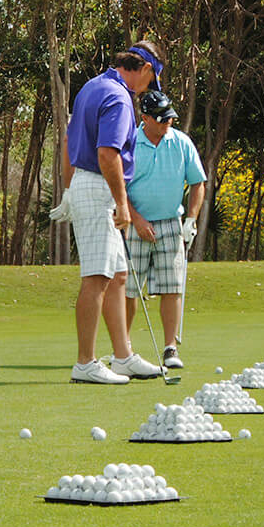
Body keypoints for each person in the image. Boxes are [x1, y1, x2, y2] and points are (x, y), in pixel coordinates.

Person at [59, 40, 165, 383]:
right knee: (97, 277)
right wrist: (122, 204)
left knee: (118, 275)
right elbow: (108, 154)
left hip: (87, 184)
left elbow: (68, 140)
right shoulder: (119, 97)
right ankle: (85, 363)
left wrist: (68, 188)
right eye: (151, 80)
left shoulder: (92, 86)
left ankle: (122, 356)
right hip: (99, 186)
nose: (148, 89)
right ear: (145, 70)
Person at [123, 88, 207, 370]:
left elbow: (198, 183)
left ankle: (170, 348)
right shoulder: (130, 143)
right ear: (144, 117)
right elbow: (119, 187)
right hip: (135, 225)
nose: (166, 122)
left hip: (171, 224)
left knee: (172, 288)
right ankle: (123, 349)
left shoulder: (181, 143)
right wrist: (135, 219)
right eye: (160, 119)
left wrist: (191, 220)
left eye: (169, 117)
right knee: (129, 290)